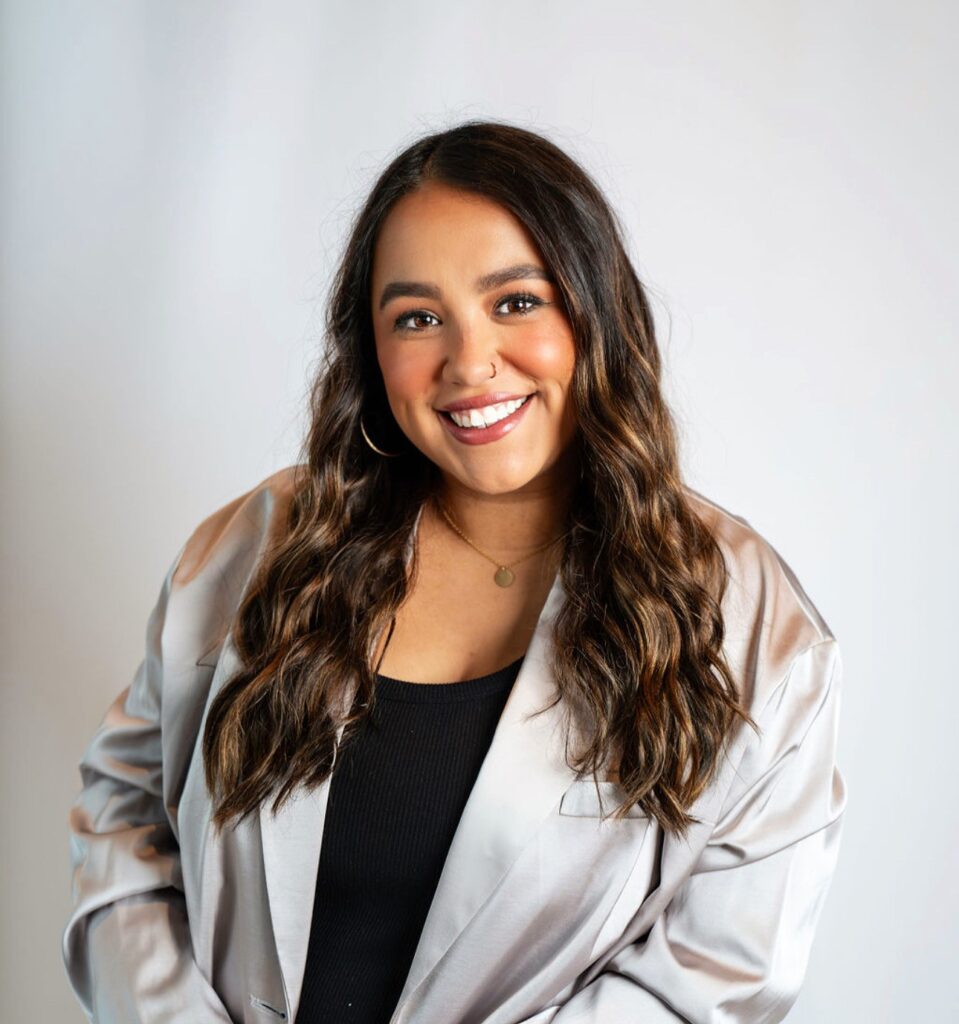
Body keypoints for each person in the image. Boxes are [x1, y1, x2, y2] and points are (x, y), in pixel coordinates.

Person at [62, 120, 847, 1024]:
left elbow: (712, 978)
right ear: (371, 348)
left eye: (515, 301)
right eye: (418, 318)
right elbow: (124, 822)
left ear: (596, 310)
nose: (469, 364)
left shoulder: (752, 626)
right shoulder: (255, 549)